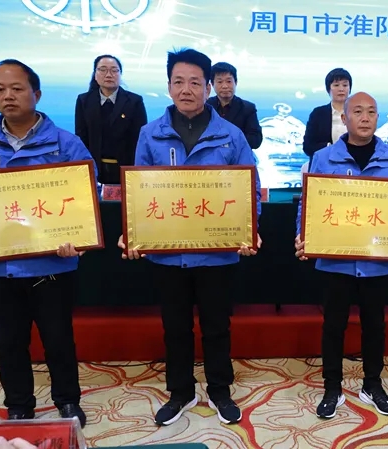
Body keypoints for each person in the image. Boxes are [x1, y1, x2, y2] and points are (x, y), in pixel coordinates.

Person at [0, 59, 92, 426]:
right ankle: (19, 405)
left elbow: (86, 201)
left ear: (36, 94)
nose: (8, 96)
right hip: (0, 266)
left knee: (58, 339)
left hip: (52, 265)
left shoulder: (66, 144)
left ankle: (67, 401)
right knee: (8, 342)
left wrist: (81, 238)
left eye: (17, 88)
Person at [117, 48, 261, 426]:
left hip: (216, 254)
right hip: (168, 254)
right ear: (168, 86)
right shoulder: (150, 134)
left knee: (217, 326)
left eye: (195, 82)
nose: (186, 89)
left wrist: (249, 229)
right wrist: (133, 231)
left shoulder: (231, 136)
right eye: (178, 81)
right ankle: (181, 391)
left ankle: (219, 389)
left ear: (208, 87)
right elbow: (138, 190)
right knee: (175, 328)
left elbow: (250, 188)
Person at [295, 92, 388, 419]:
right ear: (345, 118)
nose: (365, 117)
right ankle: (332, 387)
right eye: (358, 111)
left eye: (371, 112)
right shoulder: (323, 157)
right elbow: (308, 204)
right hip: (336, 259)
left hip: (377, 260)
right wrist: (302, 235)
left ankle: (372, 384)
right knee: (333, 326)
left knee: (375, 326)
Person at [74, 54, 147, 185]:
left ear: (120, 74)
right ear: (95, 74)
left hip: (125, 170)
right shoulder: (84, 101)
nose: (109, 74)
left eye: (114, 70)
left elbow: (140, 140)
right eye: (103, 70)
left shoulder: (134, 101)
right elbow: (81, 138)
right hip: (94, 170)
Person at [207, 62, 263, 149]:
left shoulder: (248, 108)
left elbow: (256, 140)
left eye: (229, 81)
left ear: (236, 82)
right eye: (220, 82)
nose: (225, 86)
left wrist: (227, 142)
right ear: (212, 84)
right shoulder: (206, 106)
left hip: (237, 155)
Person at [302, 68, 352, 161]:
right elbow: (308, 147)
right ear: (328, 89)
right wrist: (330, 148)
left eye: (345, 85)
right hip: (324, 165)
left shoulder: (358, 113)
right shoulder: (318, 114)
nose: (341, 89)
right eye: (336, 85)